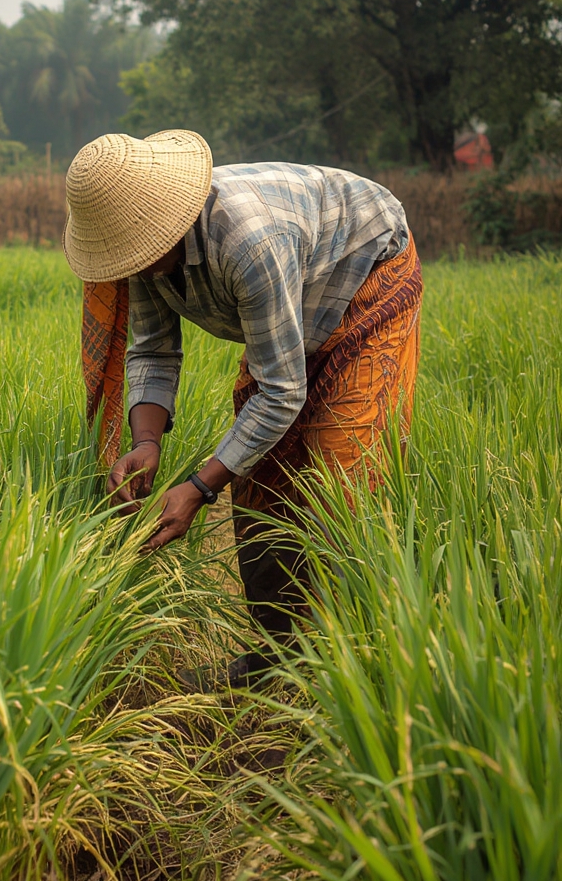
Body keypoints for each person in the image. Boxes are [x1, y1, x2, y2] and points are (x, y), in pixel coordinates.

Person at [62, 129, 422, 683]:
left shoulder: (249, 243)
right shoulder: (144, 259)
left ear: (169, 221)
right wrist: (146, 444)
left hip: (365, 270)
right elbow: (153, 352)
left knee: (341, 473)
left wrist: (200, 488)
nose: (129, 264)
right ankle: (276, 657)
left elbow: (282, 391)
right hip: (292, 298)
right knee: (260, 482)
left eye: (136, 250)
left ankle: (356, 665)